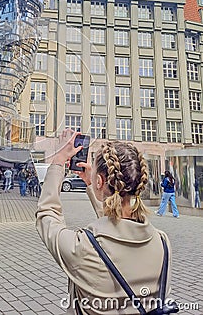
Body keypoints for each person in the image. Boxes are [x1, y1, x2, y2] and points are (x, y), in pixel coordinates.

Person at [36, 129, 173, 314]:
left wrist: (58, 160)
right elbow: (116, 231)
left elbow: (47, 214)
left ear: (100, 181)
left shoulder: (83, 247)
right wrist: (93, 186)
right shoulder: (162, 243)